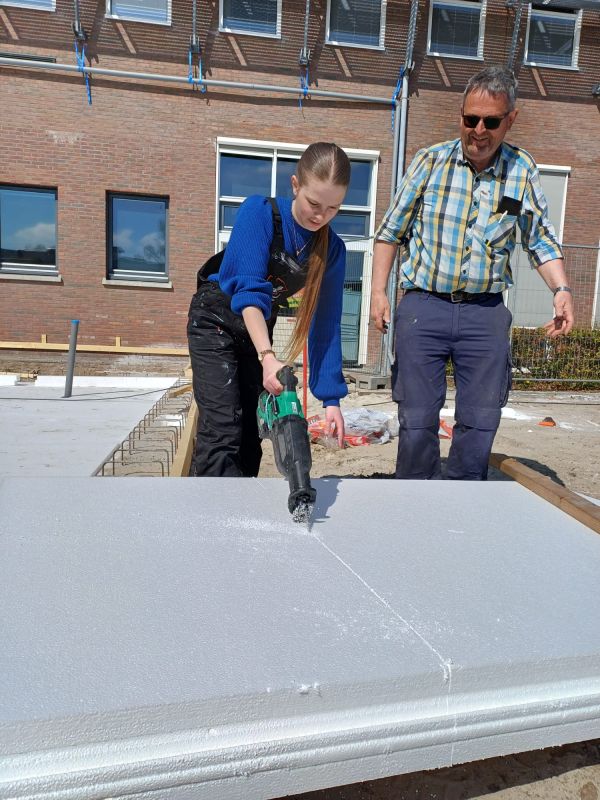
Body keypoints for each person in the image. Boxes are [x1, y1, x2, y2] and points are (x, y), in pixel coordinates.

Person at [370, 65, 574, 481]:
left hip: (485, 314)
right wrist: (378, 292)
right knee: (416, 419)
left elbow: (539, 239)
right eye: (471, 119)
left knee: (481, 420)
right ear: (460, 114)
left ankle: (464, 500)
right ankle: (412, 498)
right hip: (423, 309)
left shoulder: (522, 171)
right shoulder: (429, 162)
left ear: (510, 119)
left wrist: (561, 289)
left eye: (491, 122)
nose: (478, 130)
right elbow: (390, 233)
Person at [187, 142, 350, 478]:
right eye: (314, 203)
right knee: (222, 428)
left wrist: (331, 400)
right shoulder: (259, 212)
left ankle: (243, 505)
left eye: (333, 208)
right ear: (295, 185)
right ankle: (211, 507)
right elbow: (248, 292)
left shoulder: (332, 249)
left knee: (253, 431)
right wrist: (268, 356)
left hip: (258, 329)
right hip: (216, 318)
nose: (321, 216)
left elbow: (326, 324)